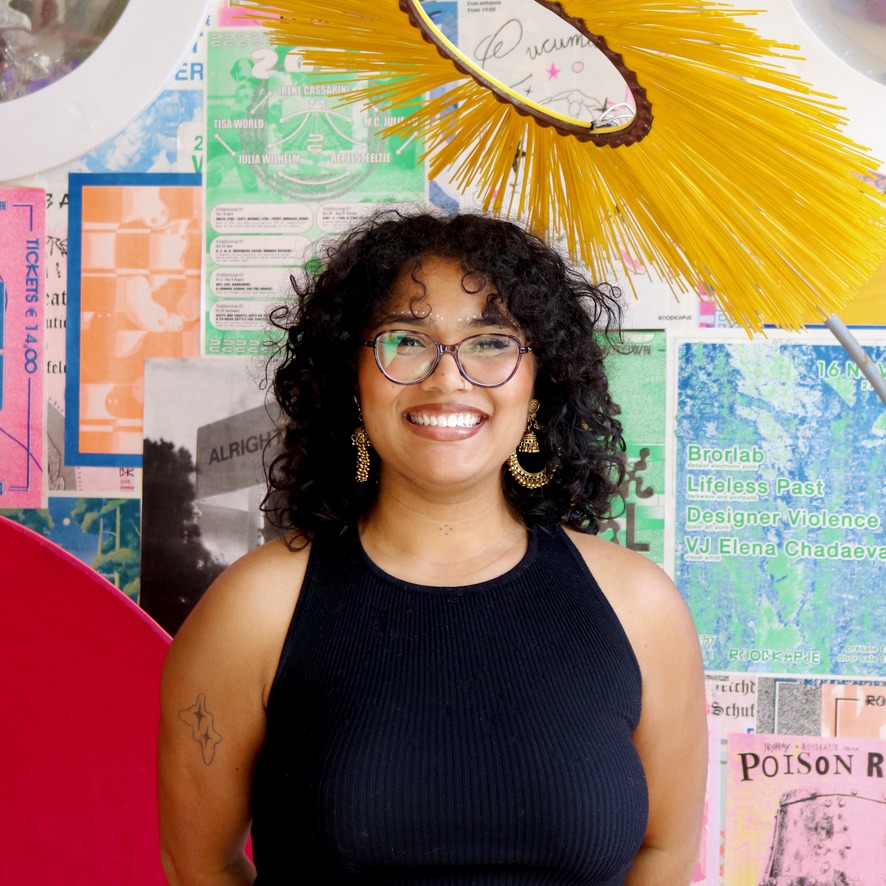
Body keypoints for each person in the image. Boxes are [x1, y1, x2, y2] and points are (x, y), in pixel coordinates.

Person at [158, 211, 707, 885]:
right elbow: (200, 865)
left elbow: (665, 852)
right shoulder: (256, 609)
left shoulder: (640, 607)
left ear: (539, 383)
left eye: (491, 342)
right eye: (406, 340)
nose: (448, 379)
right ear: (352, 379)